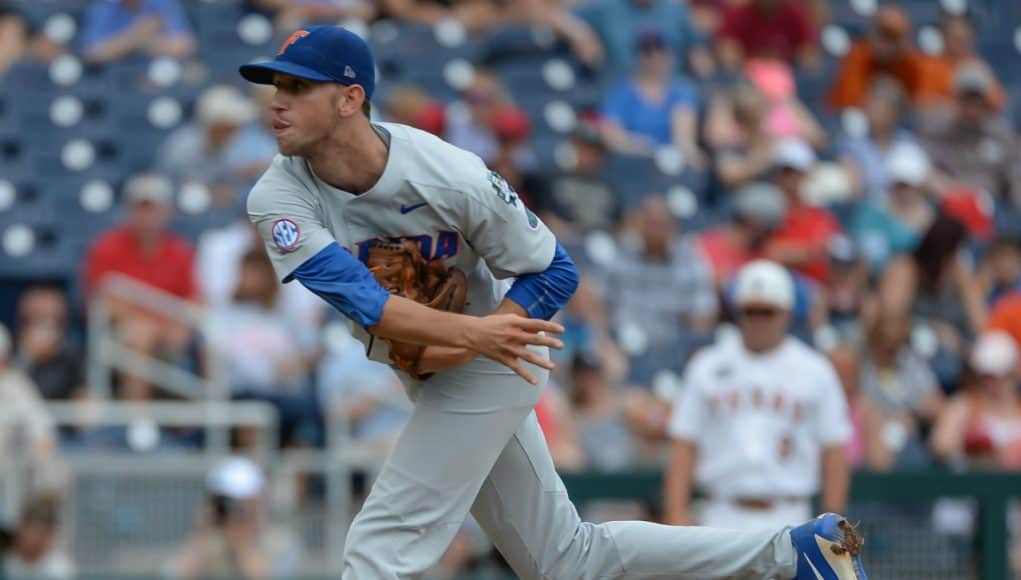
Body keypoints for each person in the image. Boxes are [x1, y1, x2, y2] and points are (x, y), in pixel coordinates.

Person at [238, 24, 868, 579]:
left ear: (350, 99)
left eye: (296, 87)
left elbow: (554, 270)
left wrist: (497, 332)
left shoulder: (446, 172)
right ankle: (793, 555)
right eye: (274, 86)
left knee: (378, 550)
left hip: (493, 359)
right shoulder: (277, 196)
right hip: (445, 358)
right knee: (567, 560)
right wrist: (473, 337)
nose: (277, 101)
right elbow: (366, 303)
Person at [665, 260, 852, 531]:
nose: (758, 320)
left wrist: (832, 524)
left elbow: (834, 451)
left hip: (790, 512)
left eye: (767, 312)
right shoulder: (707, 365)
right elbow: (684, 444)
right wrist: (675, 513)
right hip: (721, 511)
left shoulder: (815, 369)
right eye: (750, 311)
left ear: (786, 313)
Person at [82, 173, 198, 400]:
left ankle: (202, 420)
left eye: (152, 208)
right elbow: (102, 305)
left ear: (167, 212)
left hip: (170, 335)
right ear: (128, 210)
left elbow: (193, 301)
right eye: (140, 208)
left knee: (210, 341)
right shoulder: (106, 247)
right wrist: (150, 322)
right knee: (139, 334)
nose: (147, 216)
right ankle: (138, 421)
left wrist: (169, 326)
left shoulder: (181, 252)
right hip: (119, 334)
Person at [602, 195, 718, 384]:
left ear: (673, 227)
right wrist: (605, 345)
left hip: (672, 353)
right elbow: (599, 308)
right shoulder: (621, 257)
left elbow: (702, 318)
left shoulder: (690, 261)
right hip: (623, 350)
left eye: (661, 224)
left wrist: (692, 357)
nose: (654, 230)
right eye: (649, 223)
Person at [167, 456, 300, 579]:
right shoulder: (208, 543)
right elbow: (175, 575)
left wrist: (241, 543)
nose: (234, 509)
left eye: (243, 502)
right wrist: (203, 532)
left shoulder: (280, 542)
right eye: (227, 501)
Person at [157, 85, 278, 208]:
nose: (237, 130)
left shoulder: (231, 142)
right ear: (219, 126)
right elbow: (174, 184)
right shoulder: (183, 145)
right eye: (231, 126)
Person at [919, 62, 1021, 208]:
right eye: (967, 97)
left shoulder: (1000, 134)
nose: (972, 104)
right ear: (957, 98)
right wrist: (944, 186)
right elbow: (924, 168)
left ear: (985, 100)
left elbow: (1014, 173)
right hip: (950, 201)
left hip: (991, 205)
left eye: (976, 98)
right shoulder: (939, 130)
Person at [599, 30, 703, 166]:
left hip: (669, 166)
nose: (654, 57)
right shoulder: (620, 93)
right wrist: (648, 150)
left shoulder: (681, 92)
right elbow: (612, 136)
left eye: (660, 50)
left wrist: (689, 157)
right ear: (638, 56)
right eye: (647, 51)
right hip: (628, 166)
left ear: (670, 55)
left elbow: (684, 139)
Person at [857, 313, 944, 469]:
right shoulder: (861, 368)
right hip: (872, 436)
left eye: (896, 346)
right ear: (873, 342)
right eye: (886, 345)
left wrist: (912, 414)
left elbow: (936, 405)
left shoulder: (910, 362)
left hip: (911, 435)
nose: (892, 352)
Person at [931, 331, 1021, 469]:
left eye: (1000, 375)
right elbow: (941, 445)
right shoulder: (963, 405)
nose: (993, 383)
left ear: (1013, 374)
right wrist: (974, 452)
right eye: (986, 376)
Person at [764, 138, 841, 284]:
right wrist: (812, 252)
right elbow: (768, 253)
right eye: (785, 172)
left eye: (795, 173)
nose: (790, 179)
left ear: (806, 175)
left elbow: (832, 254)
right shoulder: (767, 213)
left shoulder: (822, 217)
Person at [850, 141, 934, 272]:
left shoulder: (931, 215)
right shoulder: (872, 211)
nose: (905, 191)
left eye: (909, 185)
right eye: (900, 185)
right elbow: (868, 255)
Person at [827, 5, 927, 110]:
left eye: (894, 38)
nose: (887, 44)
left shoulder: (910, 65)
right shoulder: (859, 57)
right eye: (883, 34)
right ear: (873, 33)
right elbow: (848, 104)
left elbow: (918, 107)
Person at [838, 78, 920, 202]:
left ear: (894, 112)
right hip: (870, 208)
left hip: (906, 208)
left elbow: (923, 180)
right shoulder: (853, 143)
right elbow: (855, 188)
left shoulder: (907, 142)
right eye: (870, 105)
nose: (872, 111)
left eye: (879, 107)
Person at [695, 181, 787, 289]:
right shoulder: (703, 248)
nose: (771, 235)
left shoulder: (764, 256)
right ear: (754, 224)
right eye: (769, 230)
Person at [13, 287, 85, 401]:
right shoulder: (8, 348)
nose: (44, 331)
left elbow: (83, 396)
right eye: (38, 318)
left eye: (51, 319)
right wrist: (27, 356)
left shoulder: (74, 355)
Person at [80, 0, 196, 64]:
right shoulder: (104, 7)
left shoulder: (162, 3)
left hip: (158, 80)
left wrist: (125, 45)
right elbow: (92, 53)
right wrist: (137, 35)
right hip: (114, 82)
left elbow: (185, 46)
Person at [717, 0, 819, 71]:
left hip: (787, 72)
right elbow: (727, 48)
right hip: (747, 73)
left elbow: (808, 50)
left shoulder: (795, 12)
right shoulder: (740, 13)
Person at [2, 493, 74, 580]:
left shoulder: (58, 569)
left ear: (48, 537)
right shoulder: (8, 560)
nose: (30, 543)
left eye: (37, 539)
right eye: (26, 537)